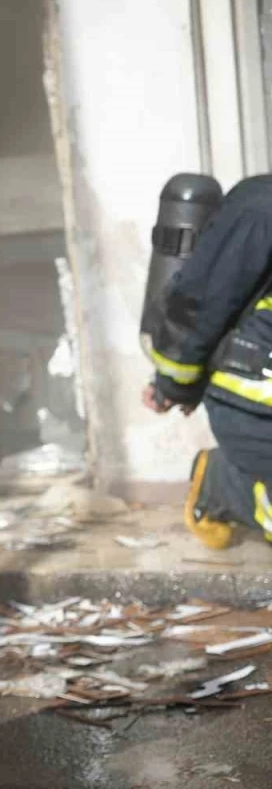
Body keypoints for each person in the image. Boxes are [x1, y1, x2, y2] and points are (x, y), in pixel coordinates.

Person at [144, 175, 272, 549]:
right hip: (256, 408)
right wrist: (173, 385)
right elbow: (200, 302)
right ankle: (223, 487)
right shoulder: (261, 209)